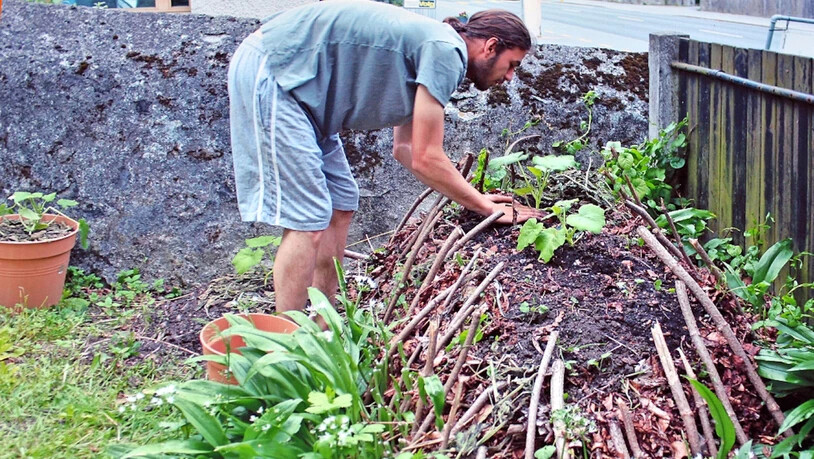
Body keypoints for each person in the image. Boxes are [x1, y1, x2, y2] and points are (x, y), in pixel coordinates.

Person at [228, 0, 541, 319]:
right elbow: (425, 156)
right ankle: (288, 345)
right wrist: (485, 207)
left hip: (306, 97)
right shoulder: (447, 51)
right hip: (278, 71)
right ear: (491, 46)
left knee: (340, 204)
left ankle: (325, 326)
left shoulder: (435, 47)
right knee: (308, 219)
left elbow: (404, 148)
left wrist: (476, 200)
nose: (510, 77)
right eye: (513, 64)